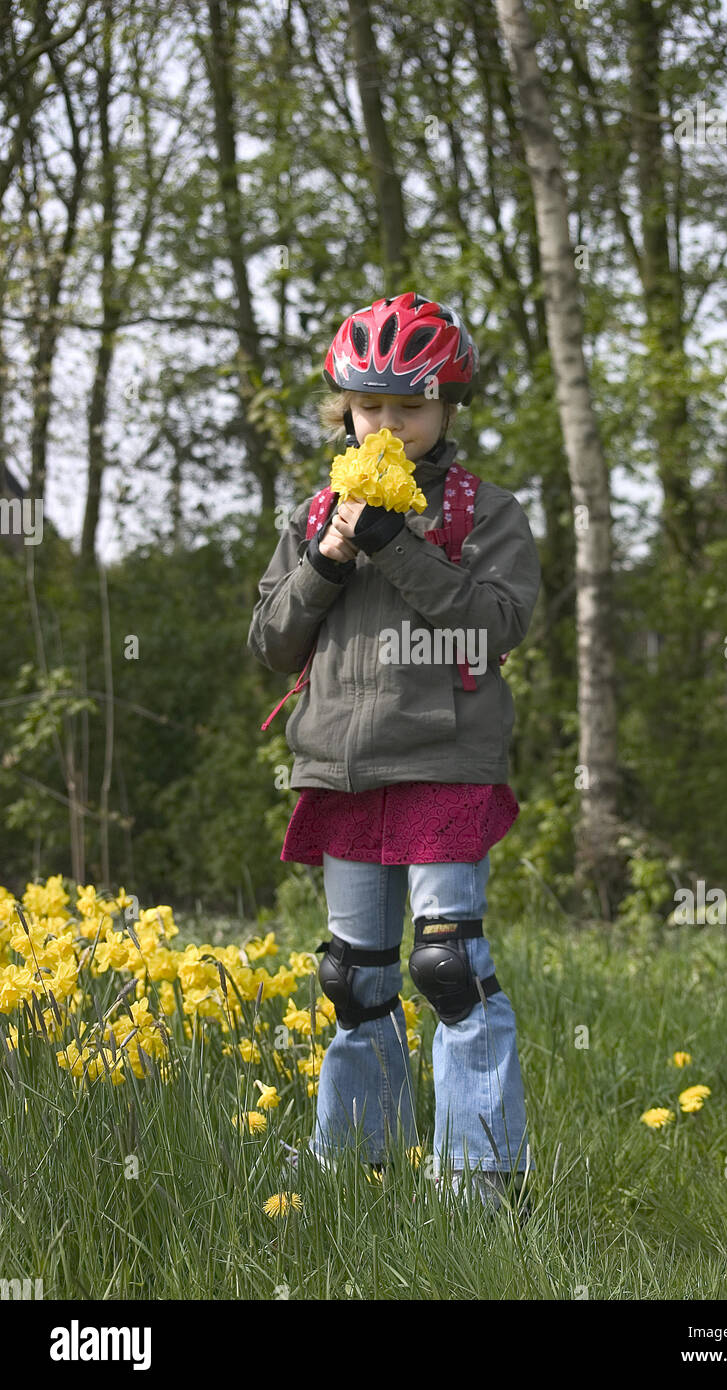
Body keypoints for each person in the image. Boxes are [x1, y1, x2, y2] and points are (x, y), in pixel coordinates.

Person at [247, 292, 541, 1215]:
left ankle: (479, 1177)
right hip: (340, 765)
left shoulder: (485, 512)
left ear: (446, 410)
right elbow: (269, 644)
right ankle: (352, 1163)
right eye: (370, 408)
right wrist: (331, 555)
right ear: (346, 410)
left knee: (448, 966)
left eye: (408, 409)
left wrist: (397, 542)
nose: (388, 425)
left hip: (444, 761)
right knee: (354, 975)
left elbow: (494, 626)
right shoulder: (313, 511)